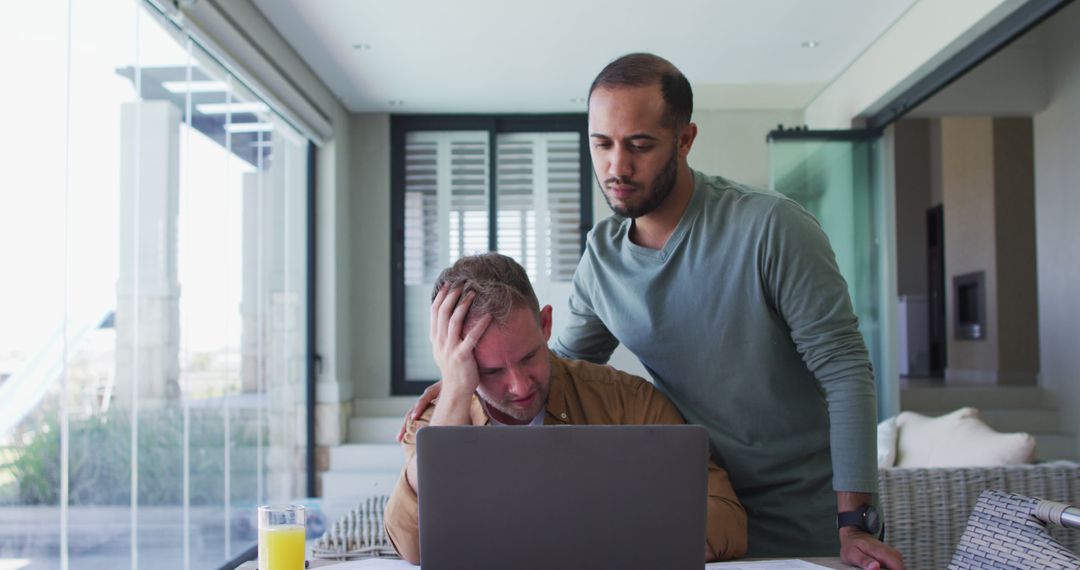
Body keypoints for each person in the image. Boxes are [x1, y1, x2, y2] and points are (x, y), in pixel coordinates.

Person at [402, 54, 905, 569]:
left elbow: (846, 372)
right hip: (691, 514)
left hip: (807, 519)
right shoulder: (602, 258)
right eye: (602, 144)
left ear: (684, 140)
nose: (617, 167)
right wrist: (460, 382)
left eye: (639, 145)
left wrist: (854, 523)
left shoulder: (772, 229)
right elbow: (557, 371)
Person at [384, 253, 747, 565]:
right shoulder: (435, 419)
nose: (520, 386)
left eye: (529, 357)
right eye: (491, 371)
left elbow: (726, 519)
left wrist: (585, 538)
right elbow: (413, 546)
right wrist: (454, 393)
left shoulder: (627, 401)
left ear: (545, 324)